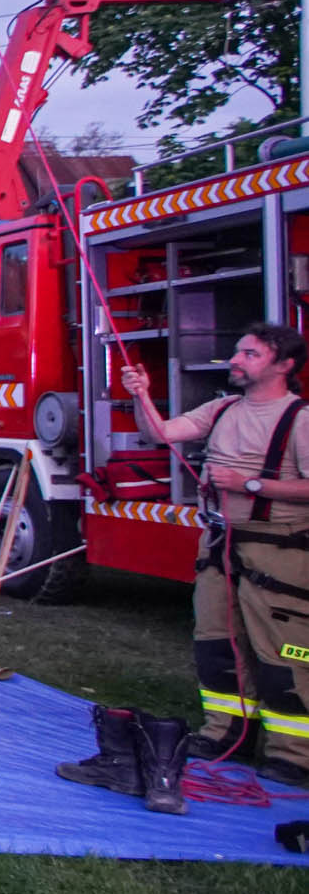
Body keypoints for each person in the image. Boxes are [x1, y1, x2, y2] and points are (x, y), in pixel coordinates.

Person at [120, 324, 309, 784]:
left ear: (284, 365)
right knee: (217, 645)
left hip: (278, 550)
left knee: (283, 654)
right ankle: (225, 733)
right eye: (237, 352)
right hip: (220, 547)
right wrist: (141, 395)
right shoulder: (223, 409)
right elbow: (163, 433)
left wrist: (251, 484)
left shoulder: (300, 419)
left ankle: (293, 754)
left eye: (250, 354)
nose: (235, 360)